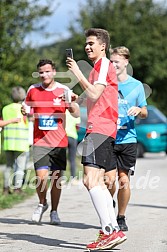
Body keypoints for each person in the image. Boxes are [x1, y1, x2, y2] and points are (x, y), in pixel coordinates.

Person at [66, 28, 127, 250]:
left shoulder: (103, 65)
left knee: (89, 180)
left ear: (103, 46)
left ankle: (108, 230)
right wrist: (72, 100)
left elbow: (94, 94)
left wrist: (77, 73)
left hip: (100, 129)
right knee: (98, 182)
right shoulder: (96, 71)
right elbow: (82, 103)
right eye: (86, 43)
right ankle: (112, 230)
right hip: (100, 128)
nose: (87, 47)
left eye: (91, 43)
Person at [21, 59, 80, 225]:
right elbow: (26, 109)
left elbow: (75, 113)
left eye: (47, 71)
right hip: (40, 141)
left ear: (54, 72)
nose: (44, 75)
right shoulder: (33, 90)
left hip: (59, 143)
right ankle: (42, 203)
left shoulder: (64, 89)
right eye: (41, 72)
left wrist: (70, 102)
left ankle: (54, 211)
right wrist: (24, 111)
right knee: (41, 177)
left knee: (56, 180)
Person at [105, 46, 148, 231]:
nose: (113, 64)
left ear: (126, 62)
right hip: (108, 137)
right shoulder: (105, 84)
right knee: (108, 180)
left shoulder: (136, 85)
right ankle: (109, 204)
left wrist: (139, 110)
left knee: (124, 180)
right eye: (111, 61)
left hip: (128, 139)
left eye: (117, 61)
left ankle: (121, 217)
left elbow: (145, 111)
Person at [2, 86, 30, 194]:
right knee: (20, 167)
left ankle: (5, 188)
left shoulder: (5, 108)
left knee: (8, 166)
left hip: (8, 142)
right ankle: (17, 188)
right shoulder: (24, 108)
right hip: (21, 142)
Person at [65, 109, 81, 180]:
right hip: (72, 136)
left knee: (62, 158)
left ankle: (60, 178)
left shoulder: (63, 111)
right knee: (72, 159)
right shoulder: (75, 112)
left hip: (63, 136)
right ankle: (73, 177)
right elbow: (77, 127)